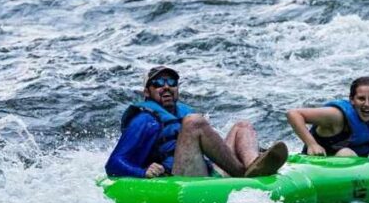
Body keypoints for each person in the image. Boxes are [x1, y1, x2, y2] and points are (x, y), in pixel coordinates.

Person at [106, 66, 288, 179]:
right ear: (147, 92)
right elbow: (113, 163)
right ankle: (243, 173)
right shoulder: (144, 120)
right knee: (194, 122)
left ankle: (253, 165)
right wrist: (143, 171)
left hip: (203, 167)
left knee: (242, 126)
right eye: (158, 83)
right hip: (178, 177)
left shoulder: (182, 112)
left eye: (172, 82)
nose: (166, 86)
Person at [286, 76, 369, 161]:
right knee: (346, 153)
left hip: (358, 171)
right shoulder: (337, 115)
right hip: (320, 166)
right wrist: (312, 144)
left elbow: (368, 136)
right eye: (361, 98)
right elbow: (294, 114)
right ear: (352, 100)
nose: (367, 104)